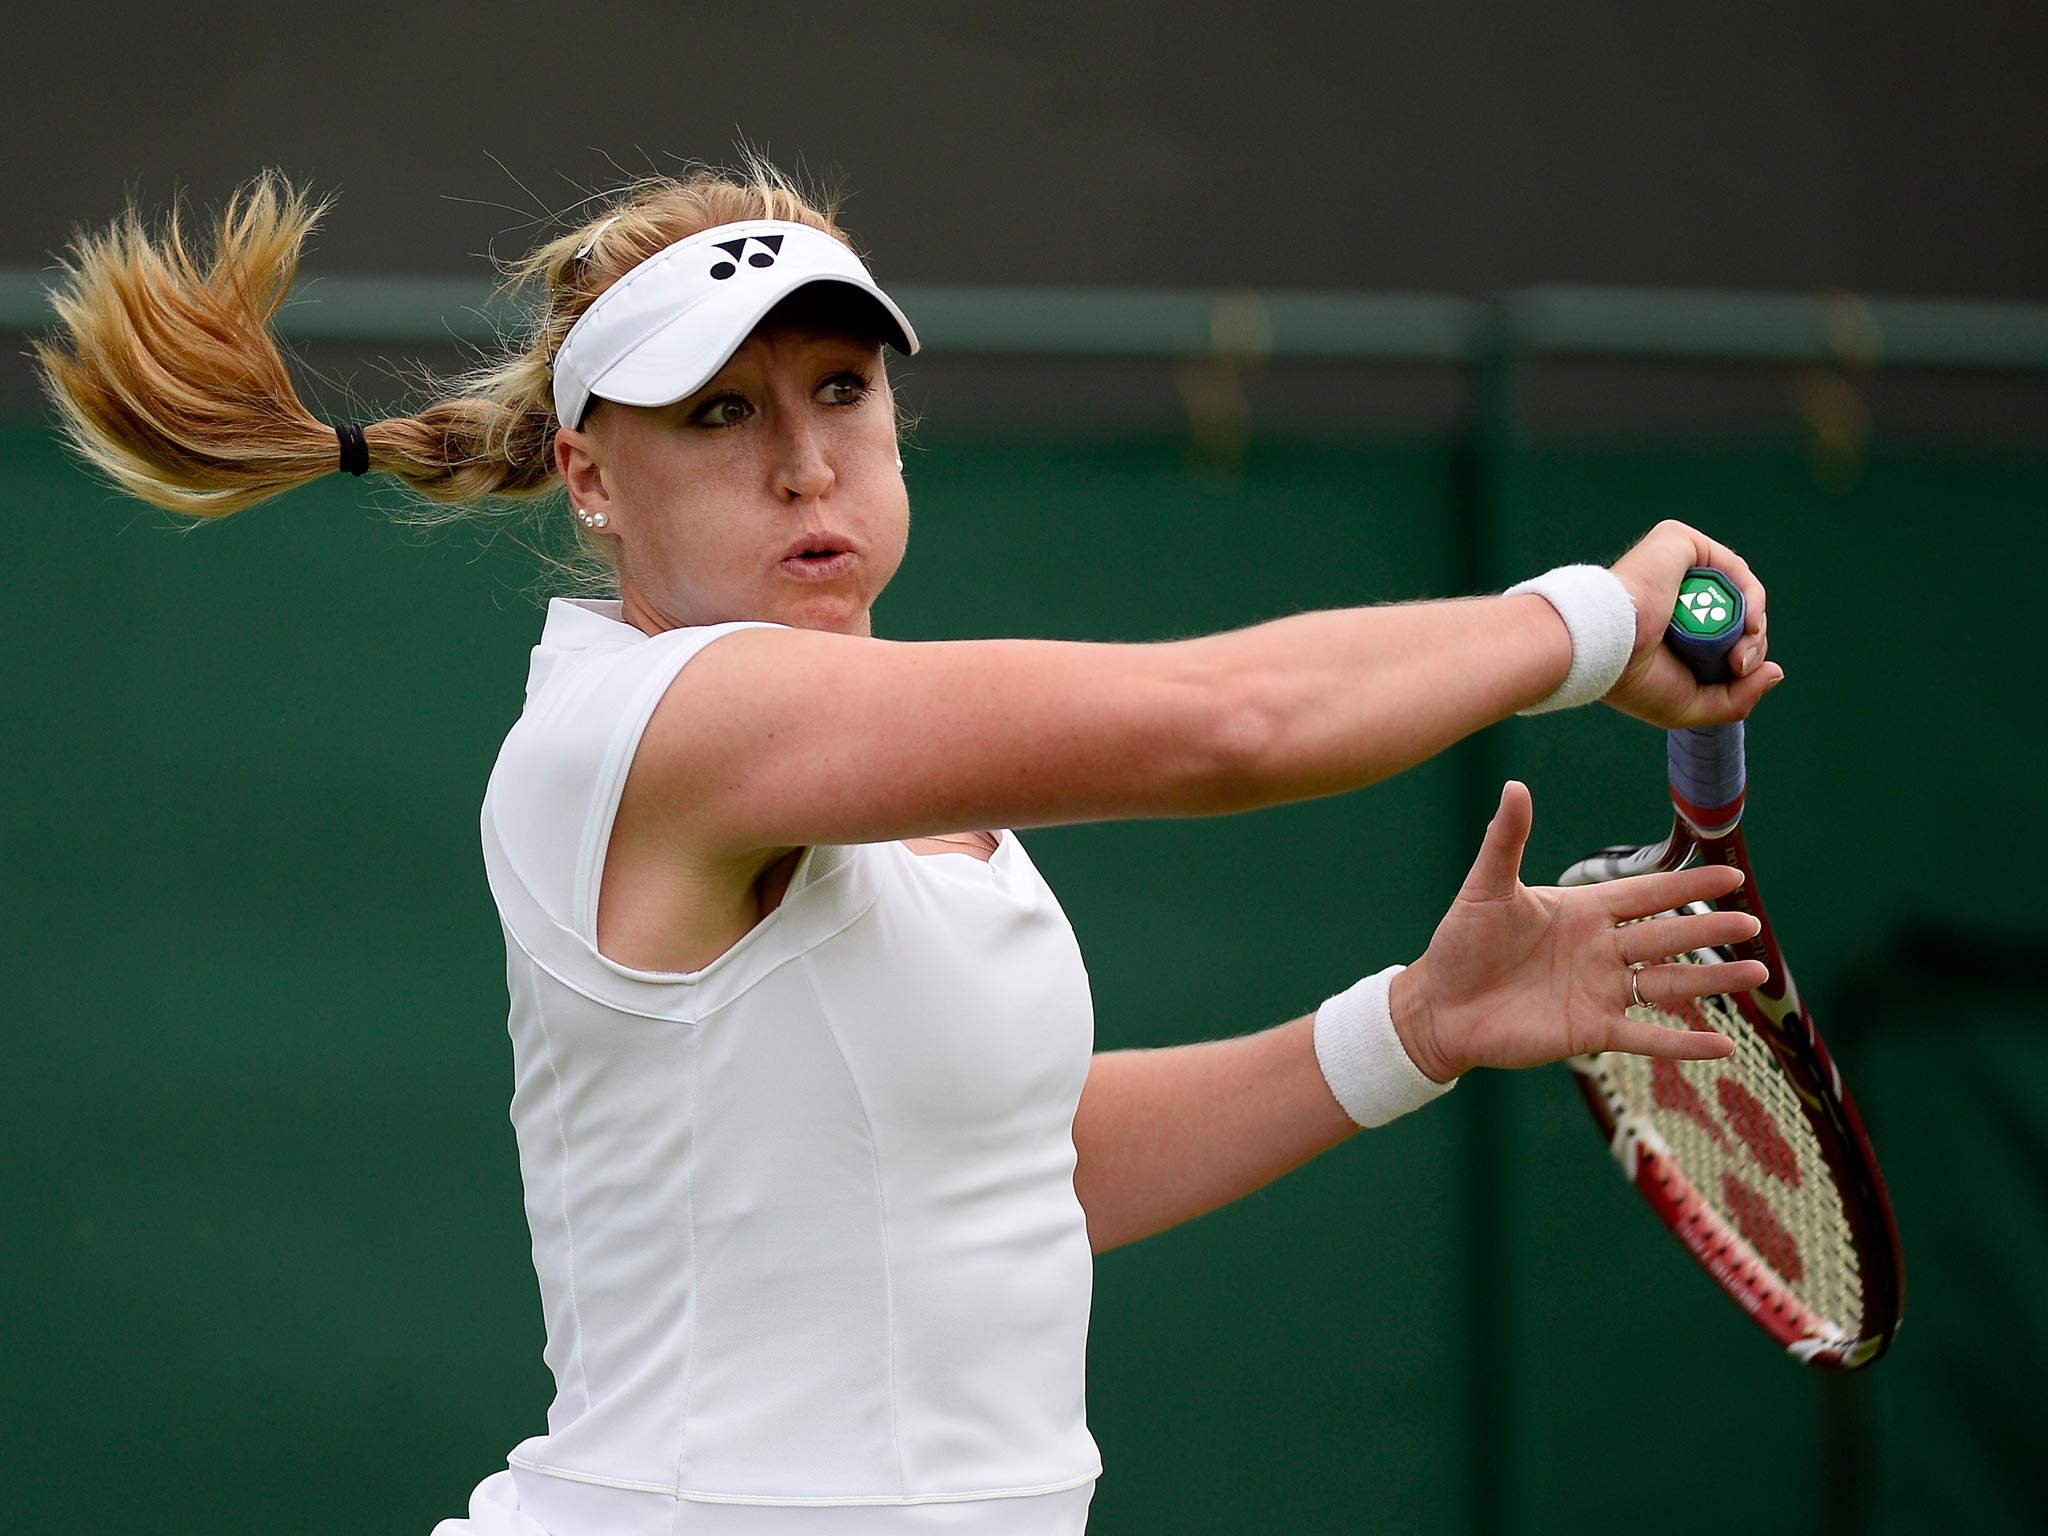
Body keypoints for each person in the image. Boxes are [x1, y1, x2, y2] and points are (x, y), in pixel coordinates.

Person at [37, 162, 1782, 1536]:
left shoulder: (915, 801)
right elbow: (1224, 726)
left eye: (841, 388)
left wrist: (1409, 1030)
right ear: (590, 480)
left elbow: (1013, 1178)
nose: (806, 461)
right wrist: (1583, 620)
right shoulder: (656, 728)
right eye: (720, 413)